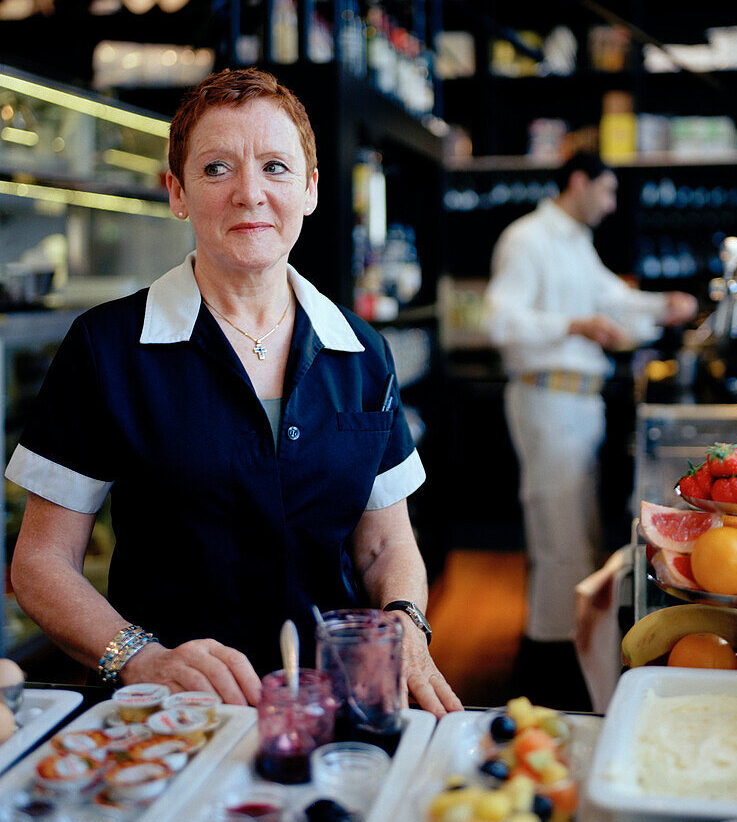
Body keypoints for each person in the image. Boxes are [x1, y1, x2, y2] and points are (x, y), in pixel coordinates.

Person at [6, 67, 461, 717]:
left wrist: (407, 622)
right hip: (168, 712)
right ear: (177, 192)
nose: (249, 193)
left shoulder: (362, 353)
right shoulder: (105, 349)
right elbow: (41, 563)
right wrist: (142, 657)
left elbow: (387, 545)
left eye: (276, 167)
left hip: (331, 705)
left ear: (309, 190)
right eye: (217, 168)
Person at [483, 151, 696, 708]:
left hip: (579, 403)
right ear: (578, 182)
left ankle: (563, 662)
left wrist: (662, 305)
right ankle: (546, 676)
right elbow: (497, 319)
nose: (610, 203)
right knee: (559, 542)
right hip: (547, 397)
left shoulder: (574, 241)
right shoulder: (528, 239)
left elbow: (615, 299)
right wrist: (573, 325)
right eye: (606, 190)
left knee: (574, 540)